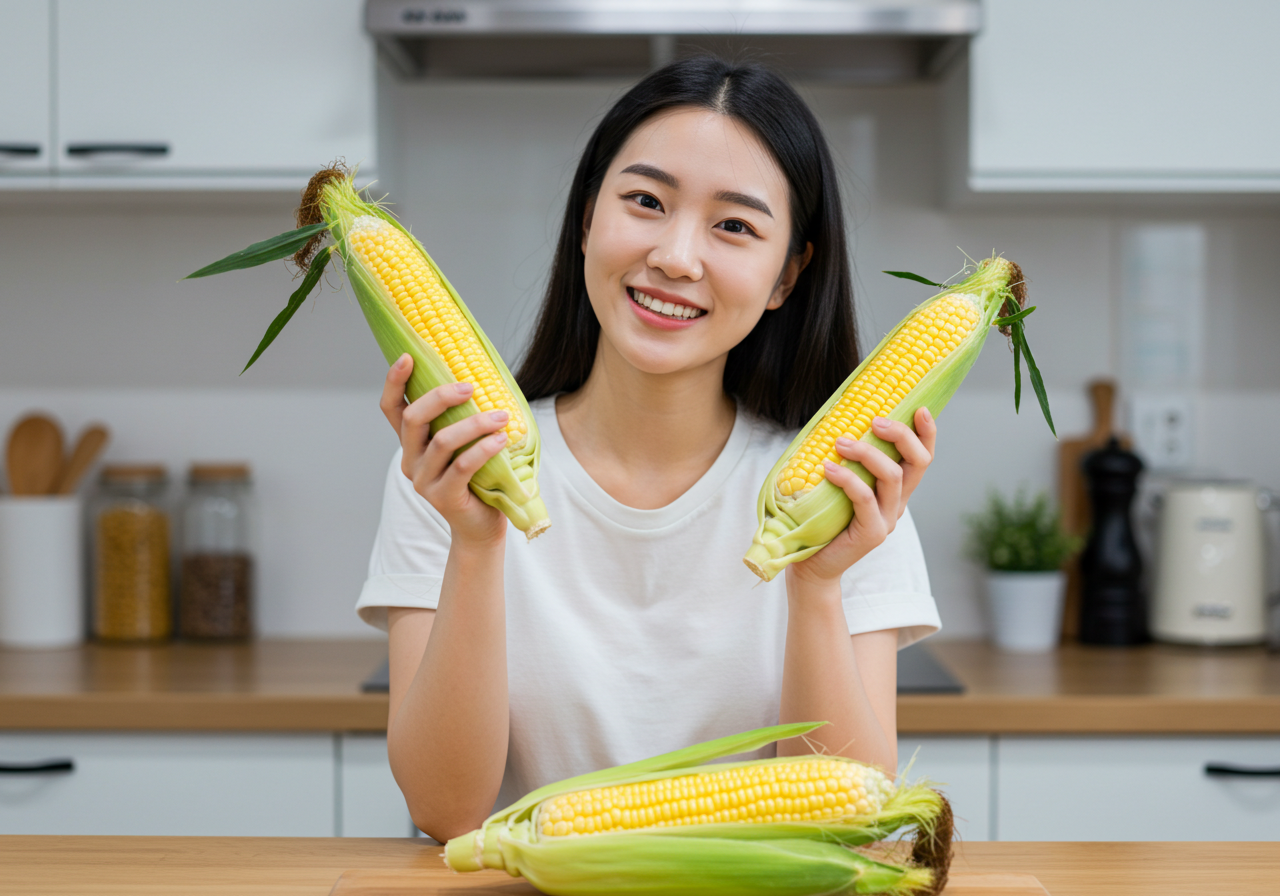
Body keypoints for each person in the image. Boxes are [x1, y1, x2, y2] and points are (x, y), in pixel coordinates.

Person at [356, 56, 941, 843]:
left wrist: (816, 584)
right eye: (646, 202)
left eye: (734, 226)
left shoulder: (850, 495)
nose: (675, 256)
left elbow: (848, 821)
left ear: (787, 276)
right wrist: (476, 542)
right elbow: (446, 813)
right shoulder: (449, 470)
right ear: (587, 217)